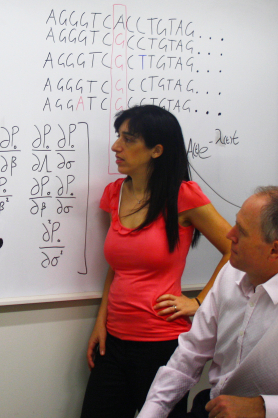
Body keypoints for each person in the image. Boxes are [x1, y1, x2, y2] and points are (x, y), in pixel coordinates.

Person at [138, 187, 278, 418]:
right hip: (216, 406)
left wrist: (264, 407)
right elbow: (189, 355)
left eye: (242, 232)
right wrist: (152, 412)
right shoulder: (231, 273)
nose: (230, 235)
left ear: (275, 250)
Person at [80, 105, 232, 418]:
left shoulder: (184, 196)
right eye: (118, 137)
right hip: (114, 340)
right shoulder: (115, 194)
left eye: (129, 139)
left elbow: (237, 250)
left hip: (161, 344)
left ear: (156, 150)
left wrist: (199, 302)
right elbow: (118, 267)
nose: (116, 147)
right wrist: (100, 322)